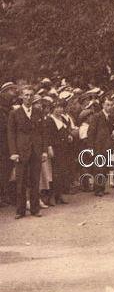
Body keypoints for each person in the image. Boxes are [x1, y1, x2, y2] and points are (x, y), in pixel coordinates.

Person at [8, 87, 49, 219]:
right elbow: (11, 134)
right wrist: (13, 152)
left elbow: (43, 133)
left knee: (35, 181)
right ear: (21, 97)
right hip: (21, 152)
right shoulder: (14, 113)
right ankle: (20, 211)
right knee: (21, 182)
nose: (28, 97)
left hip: (36, 151)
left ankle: (35, 209)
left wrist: (44, 151)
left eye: (31, 95)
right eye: (26, 95)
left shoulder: (38, 112)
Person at [86, 96, 114, 197]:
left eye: (111, 105)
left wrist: (113, 134)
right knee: (99, 167)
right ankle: (97, 189)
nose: (109, 107)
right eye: (107, 105)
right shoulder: (97, 116)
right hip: (98, 145)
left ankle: (102, 187)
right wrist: (90, 146)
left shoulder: (111, 117)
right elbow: (91, 132)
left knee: (105, 167)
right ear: (103, 105)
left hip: (107, 145)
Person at [44, 99, 71, 205]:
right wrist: (49, 147)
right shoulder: (49, 120)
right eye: (57, 107)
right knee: (54, 173)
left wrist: (69, 136)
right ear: (53, 108)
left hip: (63, 148)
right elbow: (47, 135)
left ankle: (60, 195)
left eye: (61, 107)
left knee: (62, 171)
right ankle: (51, 196)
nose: (60, 109)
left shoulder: (63, 119)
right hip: (55, 148)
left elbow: (66, 131)